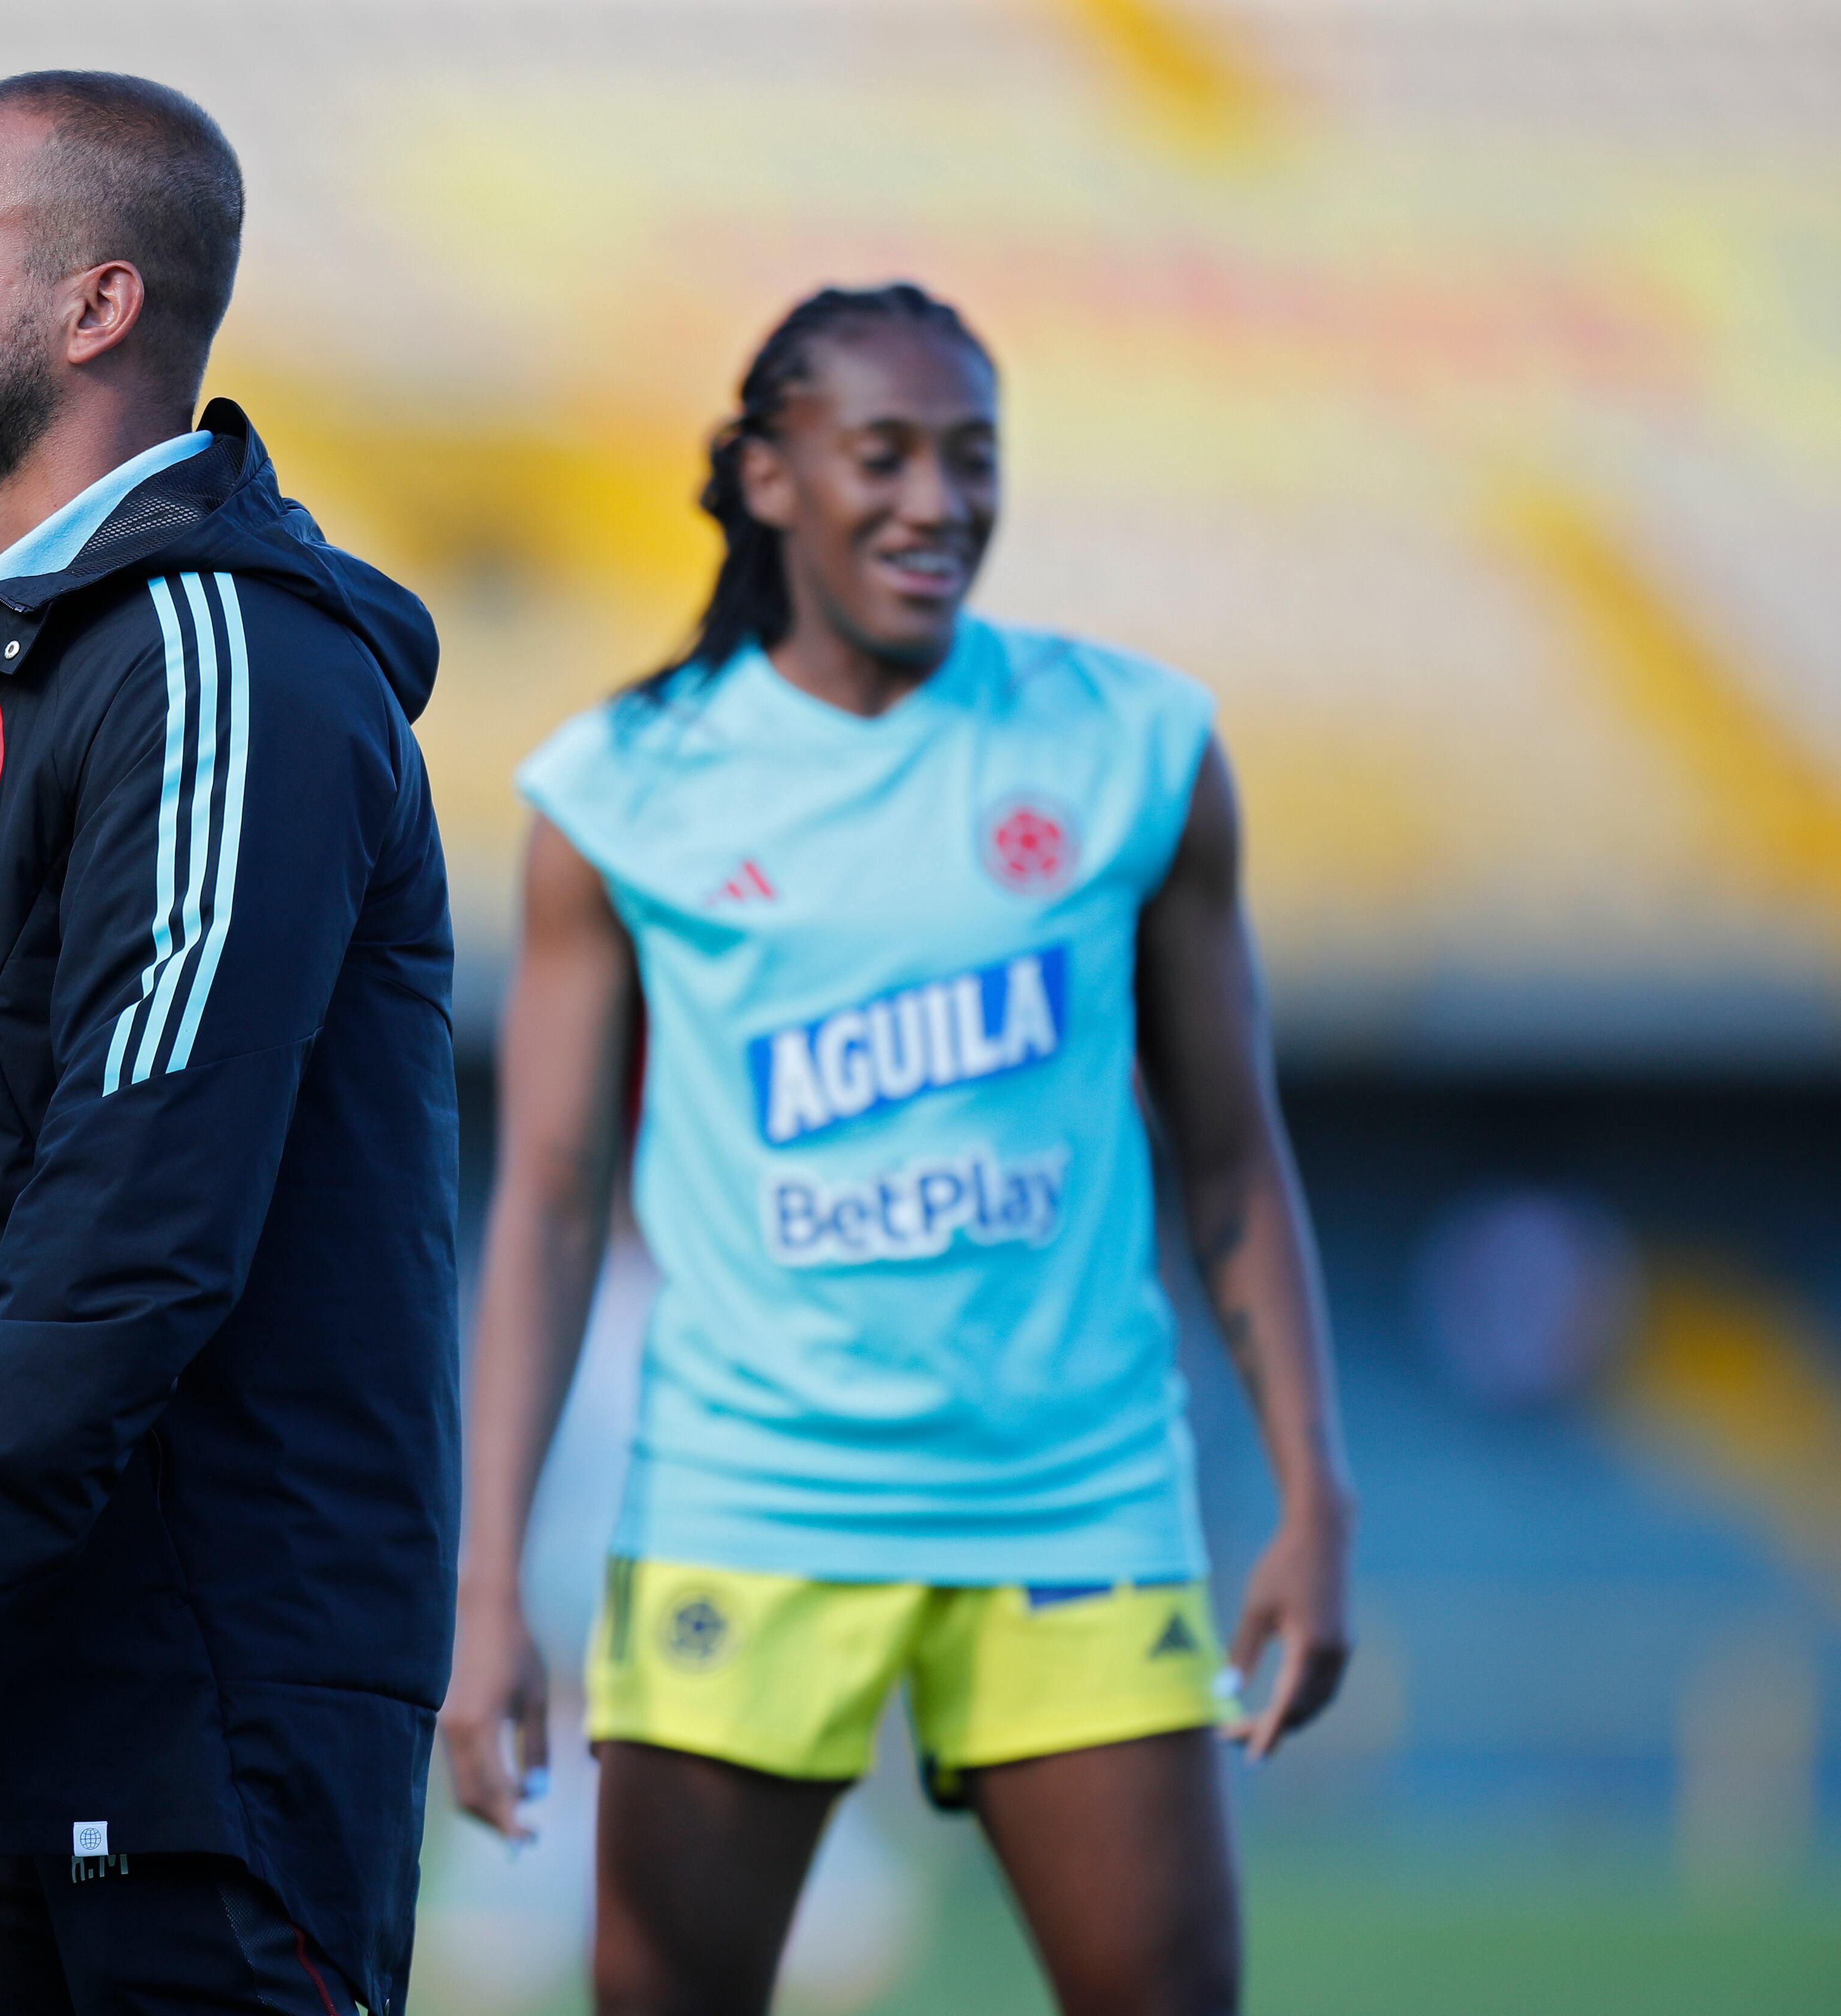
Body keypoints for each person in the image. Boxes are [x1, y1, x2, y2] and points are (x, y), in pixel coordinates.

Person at [443, 284, 1355, 2016]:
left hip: (1075, 1504)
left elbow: (1233, 1159)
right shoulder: (626, 789)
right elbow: (550, 1207)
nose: (936, 501)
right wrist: (486, 1591)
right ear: (773, 478)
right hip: (745, 1506)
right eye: (885, 454)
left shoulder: (1136, 747)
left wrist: (1319, 1493)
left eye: (973, 458)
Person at [0, 71, 458, 2016]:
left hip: (198, 1702)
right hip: (21, 1676)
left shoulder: (221, 657)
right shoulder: (38, 659)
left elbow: (145, 1198)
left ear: (96, 309)